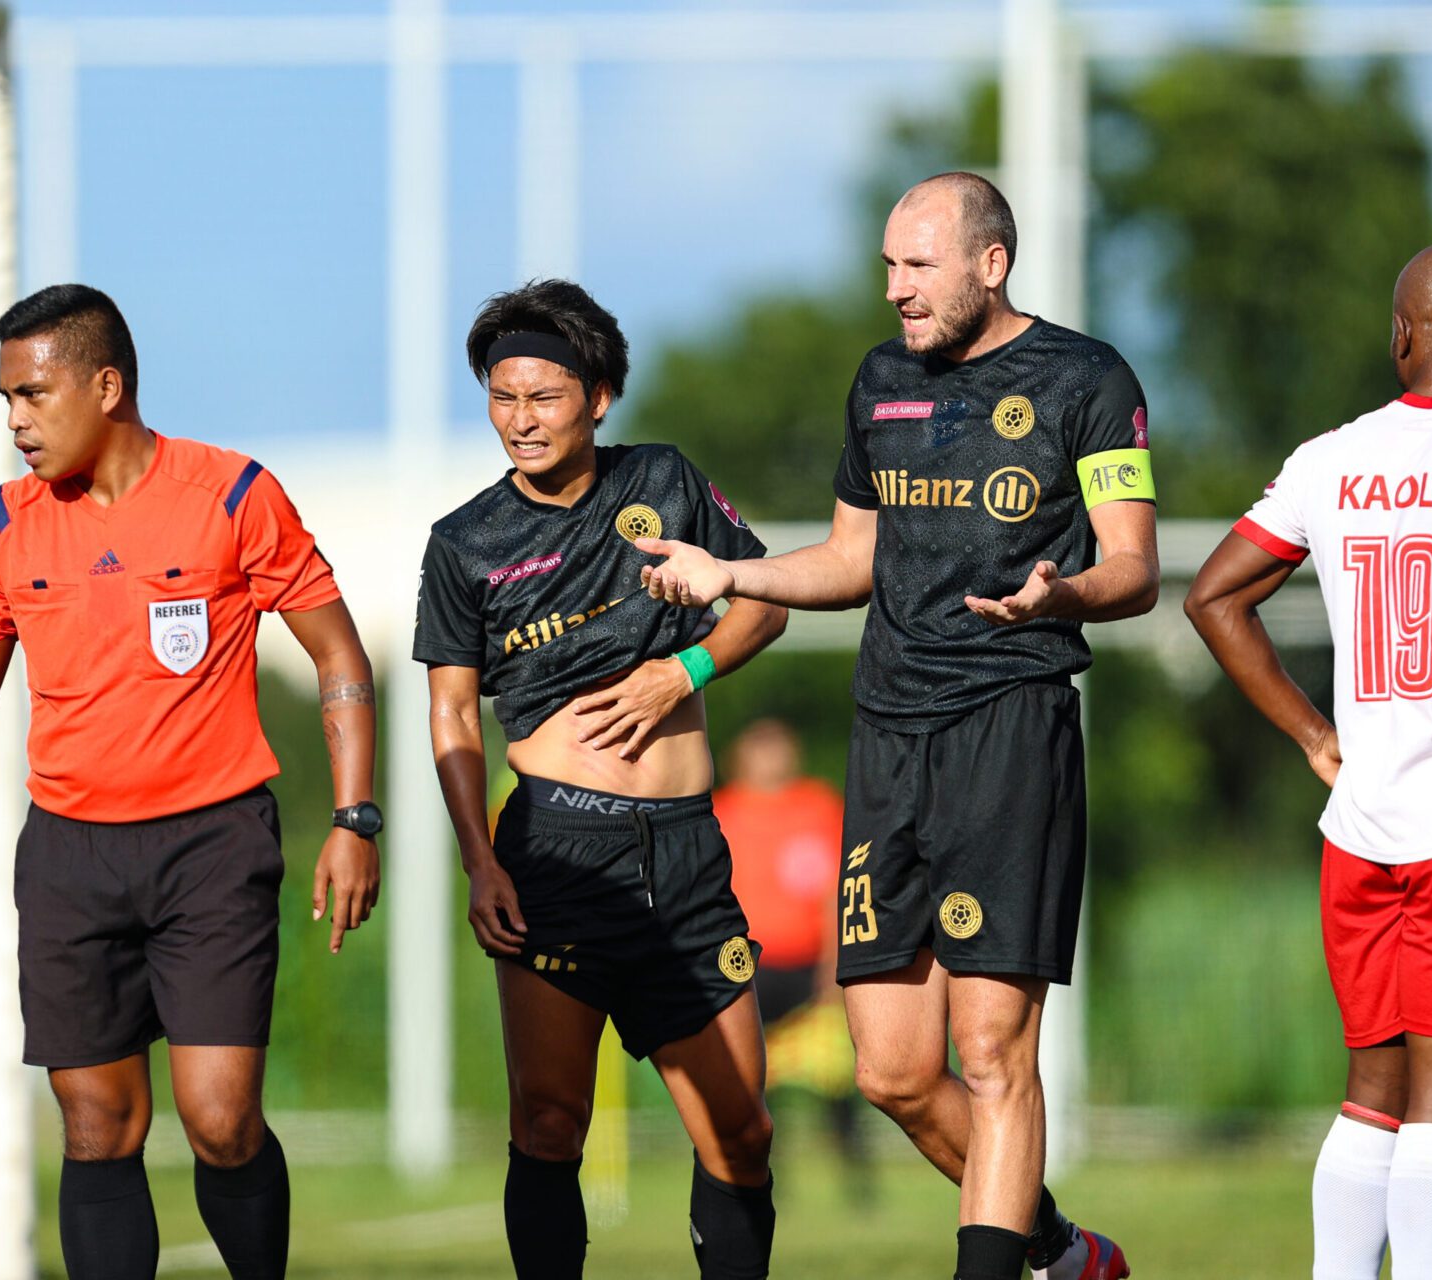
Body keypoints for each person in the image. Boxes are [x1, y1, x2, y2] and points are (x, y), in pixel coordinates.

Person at [637, 172, 1152, 1280]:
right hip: (887, 740)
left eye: (919, 265)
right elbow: (851, 558)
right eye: (888, 266)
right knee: (892, 1072)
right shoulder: (880, 380)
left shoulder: (1088, 379)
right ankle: (1063, 1251)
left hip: (1009, 730)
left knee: (991, 1050)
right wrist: (731, 571)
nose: (896, 288)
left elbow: (1136, 567)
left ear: (991, 264)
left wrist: (1061, 595)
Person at [0, 284, 381, 1280]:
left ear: (107, 385)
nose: (16, 421)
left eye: (34, 395)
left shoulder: (232, 494)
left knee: (220, 1117)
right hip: (70, 855)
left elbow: (339, 653)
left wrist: (355, 816)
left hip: (212, 844)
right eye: (7, 399)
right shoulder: (1, 524)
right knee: (97, 1123)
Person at [1184, 242, 1432, 1280]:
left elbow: (1214, 598)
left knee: (1374, 1098)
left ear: (1400, 338)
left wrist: (1314, 735)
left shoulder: (1329, 457)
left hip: (1360, 827)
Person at [415, 279, 789, 1279]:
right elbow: (452, 713)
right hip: (556, 853)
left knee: (742, 1130)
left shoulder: (663, 479)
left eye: (544, 396)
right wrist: (480, 862)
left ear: (599, 397)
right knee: (548, 1120)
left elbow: (762, 603)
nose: (522, 419)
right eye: (502, 397)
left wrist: (683, 668)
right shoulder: (463, 543)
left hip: (684, 852)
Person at [711, 718, 869, 1193]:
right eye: (760, 748)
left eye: (778, 746)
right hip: (745, 965)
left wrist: (835, 964)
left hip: (808, 965)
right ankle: (763, 1176)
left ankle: (857, 1177)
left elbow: (837, 892)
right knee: (752, 1079)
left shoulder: (818, 807)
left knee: (836, 1076)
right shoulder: (720, 812)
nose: (771, 757)